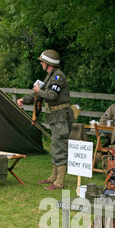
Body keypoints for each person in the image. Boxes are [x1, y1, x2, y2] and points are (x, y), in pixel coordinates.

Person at [17, 49, 74, 190]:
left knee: (59, 148)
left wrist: (38, 91)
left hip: (60, 117)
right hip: (55, 118)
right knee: (55, 147)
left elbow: (52, 95)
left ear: (48, 63)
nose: (41, 63)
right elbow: (40, 94)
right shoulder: (50, 77)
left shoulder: (58, 77)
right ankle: (54, 177)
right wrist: (24, 100)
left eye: (42, 61)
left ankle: (59, 182)